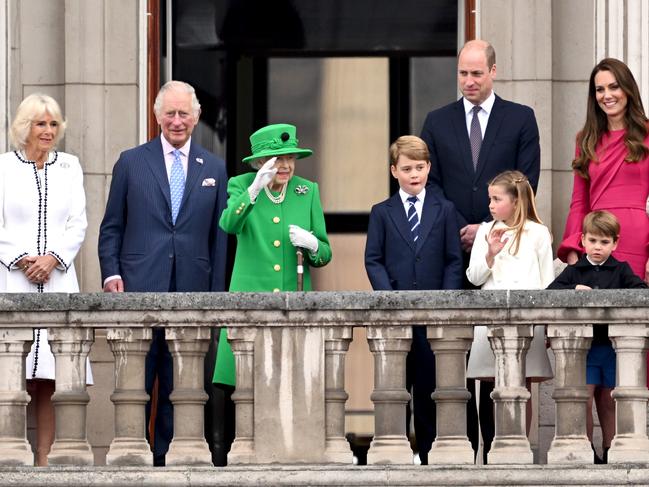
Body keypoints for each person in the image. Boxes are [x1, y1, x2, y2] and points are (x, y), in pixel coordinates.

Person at [419, 38, 541, 461]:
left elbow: (526, 182)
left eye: (476, 73)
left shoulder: (520, 118)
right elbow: (427, 185)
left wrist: (489, 227)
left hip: (503, 254)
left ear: (493, 71)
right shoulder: (437, 120)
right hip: (453, 255)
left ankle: (498, 448)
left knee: (500, 360)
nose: (468, 81)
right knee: (456, 355)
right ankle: (462, 446)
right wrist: (461, 229)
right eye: (462, 74)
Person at [98, 80, 228, 466]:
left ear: (196, 116)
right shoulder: (131, 161)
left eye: (183, 113)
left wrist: (216, 299)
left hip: (192, 291)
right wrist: (110, 274)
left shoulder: (215, 167)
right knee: (137, 384)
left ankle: (169, 460)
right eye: (169, 113)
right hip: (139, 288)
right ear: (156, 116)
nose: (176, 121)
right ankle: (135, 459)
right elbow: (112, 227)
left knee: (182, 386)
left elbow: (218, 240)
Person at [1, 93, 88, 465]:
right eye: (41, 124)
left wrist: (54, 258)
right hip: (14, 281)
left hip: (57, 279)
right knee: (13, 374)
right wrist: (21, 260)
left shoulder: (70, 166)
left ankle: (44, 461)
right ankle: (10, 455)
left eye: (53, 124)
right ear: (25, 127)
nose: (48, 131)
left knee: (51, 376)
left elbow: (78, 222)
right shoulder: (4, 167)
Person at [364, 135, 463, 464]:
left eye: (420, 167)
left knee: (428, 387)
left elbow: (453, 259)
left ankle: (430, 456)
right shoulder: (382, 212)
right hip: (395, 317)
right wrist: (390, 301)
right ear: (394, 171)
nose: (414, 174)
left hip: (432, 317)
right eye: (407, 168)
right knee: (394, 389)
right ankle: (396, 454)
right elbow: (373, 259)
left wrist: (444, 302)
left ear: (429, 168)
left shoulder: (445, 210)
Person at [212, 123, 331, 393]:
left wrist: (312, 244)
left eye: (291, 158)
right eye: (280, 159)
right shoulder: (241, 185)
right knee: (247, 389)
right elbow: (228, 225)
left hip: (293, 307)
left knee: (290, 389)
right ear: (261, 162)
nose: (287, 165)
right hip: (249, 304)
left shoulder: (307, 191)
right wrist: (254, 189)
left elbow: (324, 254)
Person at [556, 58, 649, 387]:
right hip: (594, 240)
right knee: (595, 337)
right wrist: (571, 248)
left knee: (630, 334)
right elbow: (578, 200)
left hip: (636, 241)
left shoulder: (648, 136)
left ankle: (632, 429)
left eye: (613, 87)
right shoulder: (585, 138)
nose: (607, 95)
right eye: (600, 89)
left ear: (627, 90)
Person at [466, 170, 554, 455]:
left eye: (496, 199)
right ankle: (493, 449)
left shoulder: (538, 233)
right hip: (491, 320)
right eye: (490, 199)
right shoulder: (484, 231)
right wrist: (490, 253)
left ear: (515, 201)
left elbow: (547, 282)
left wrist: (548, 325)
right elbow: (474, 276)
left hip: (528, 322)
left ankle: (521, 448)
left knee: (523, 386)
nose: (490, 204)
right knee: (493, 386)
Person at [549, 210, 647, 464]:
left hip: (613, 347)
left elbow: (640, 292)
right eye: (592, 241)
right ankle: (586, 449)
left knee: (609, 399)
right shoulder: (575, 270)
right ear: (582, 240)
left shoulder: (621, 269)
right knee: (583, 398)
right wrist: (573, 289)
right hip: (586, 348)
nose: (597, 247)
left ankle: (609, 448)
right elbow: (550, 293)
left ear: (615, 243)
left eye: (604, 242)